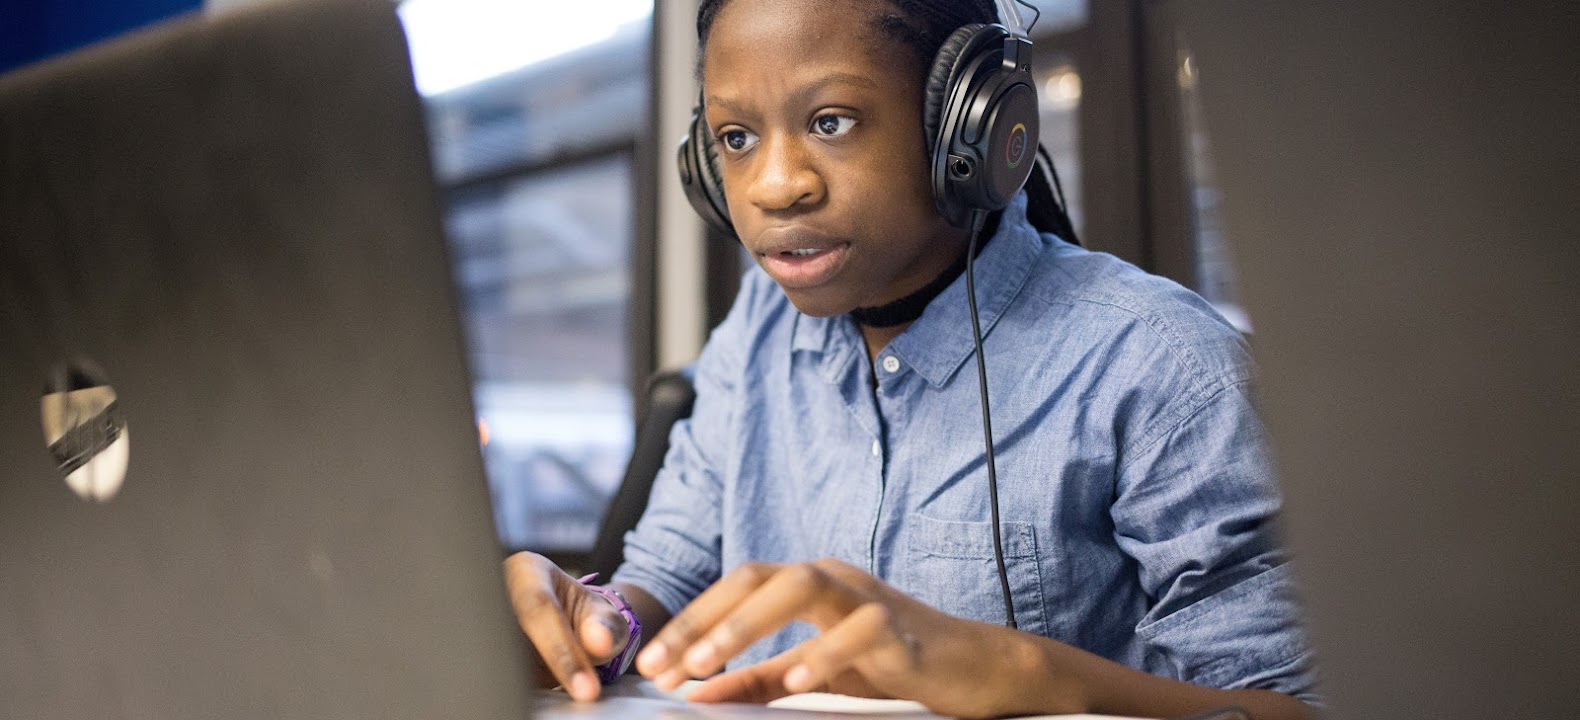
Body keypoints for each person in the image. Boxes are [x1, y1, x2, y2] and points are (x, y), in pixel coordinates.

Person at [502, 0, 1319, 718]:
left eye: (831, 121)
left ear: (971, 128)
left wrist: (1029, 671)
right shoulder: (756, 328)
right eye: (738, 138)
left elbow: (1296, 705)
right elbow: (664, 576)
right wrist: (591, 626)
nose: (774, 186)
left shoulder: (1158, 361)